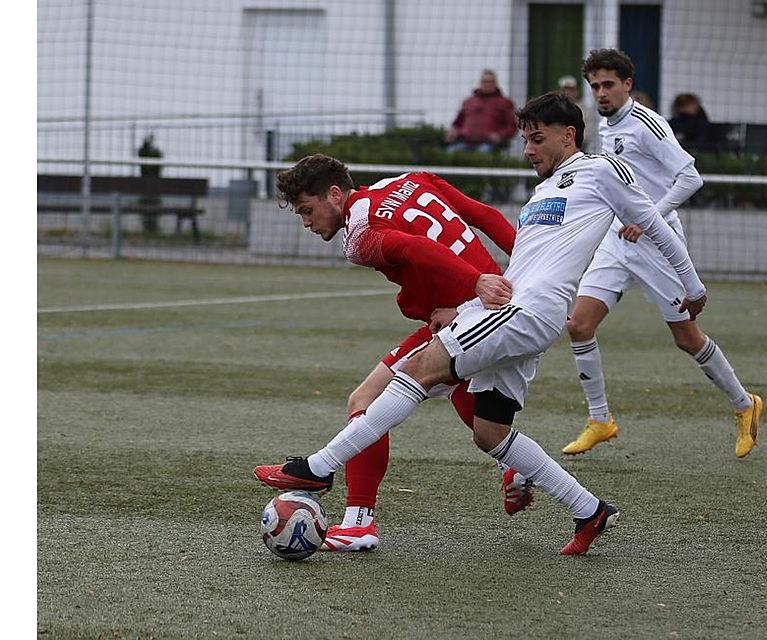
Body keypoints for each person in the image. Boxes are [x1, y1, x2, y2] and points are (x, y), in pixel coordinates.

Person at [255, 92, 709, 555]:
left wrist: (691, 288)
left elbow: (654, 222)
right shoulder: (544, 191)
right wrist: (470, 302)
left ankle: (318, 467)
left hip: (522, 314)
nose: (527, 150)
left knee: (411, 375)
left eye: (536, 139)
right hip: (506, 310)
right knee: (490, 433)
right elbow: (513, 247)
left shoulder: (602, 170)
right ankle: (590, 511)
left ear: (568, 134)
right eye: (525, 139)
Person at [255, 157, 530, 551]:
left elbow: (413, 246)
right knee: (457, 388)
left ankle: (357, 523)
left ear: (335, 194)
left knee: (364, 400)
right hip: (478, 309)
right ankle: (515, 467)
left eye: (306, 211)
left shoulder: (359, 236)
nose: (306, 223)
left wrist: (476, 285)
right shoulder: (413, 180)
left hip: (471, 317)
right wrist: (524, 276)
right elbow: (483, 215)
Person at [563, 48, 762, 459]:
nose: (601, 92)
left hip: (657, 244)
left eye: (608, 85)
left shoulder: (648, 124)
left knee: (686, 337)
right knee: (579, 325)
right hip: (618, 241)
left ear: (627, 84)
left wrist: (650, 216)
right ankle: (600, 420)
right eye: (595, 86)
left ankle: (745, 404)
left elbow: (690, 176)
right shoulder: (605, 123)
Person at [445, 69, 517, 154]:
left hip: (488, 144)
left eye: (490, 82)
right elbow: (457, 124)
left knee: (483, 152)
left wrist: (499, 135)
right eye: (484, 82)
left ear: (495, 84)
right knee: (451, 152)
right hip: (465, 141)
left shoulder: (504, 103)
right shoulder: (468, 102)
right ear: (480, 83)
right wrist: (453, 131)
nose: (487, 84)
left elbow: (512, 126)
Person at [558, 74, 599, 153]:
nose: (567, 92)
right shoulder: (554, 109)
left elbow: (587, 132)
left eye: (570, 90)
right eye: (564, 89)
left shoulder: (585, 110)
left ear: (576, 91)